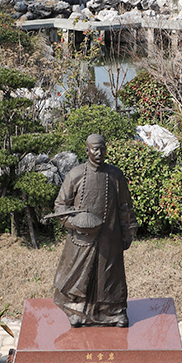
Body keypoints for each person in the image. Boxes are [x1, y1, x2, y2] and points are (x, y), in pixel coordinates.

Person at [52, 134, 137, 327]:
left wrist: (128, 231)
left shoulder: (116, 175)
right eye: (95, 149)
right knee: (78, 278)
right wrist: (75, 223)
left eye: (102, 148)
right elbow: (60, 206)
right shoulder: (75, 175)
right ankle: (76, 310)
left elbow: (125, 206)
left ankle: (113, 312)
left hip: (110, 237)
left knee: (109, 276)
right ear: (87, 150)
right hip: (81, 239)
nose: (99, 153)